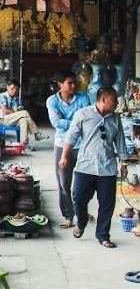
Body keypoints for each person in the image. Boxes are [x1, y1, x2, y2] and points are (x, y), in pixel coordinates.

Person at [58, 87, 127, 248]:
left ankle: (103, 235)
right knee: (78, 197)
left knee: (107, 204)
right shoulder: (82, 114)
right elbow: (71, 137)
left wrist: (124, 163)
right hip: (85, 166)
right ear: (103, 100)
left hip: (107, 167)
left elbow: (121, 141)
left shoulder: (115, 118)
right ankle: (81, 222)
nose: (117, 103)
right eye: (114, 100)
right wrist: (64, 157)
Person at [47, 73, 93, 228]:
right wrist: (75, 122)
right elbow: (56, 123)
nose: (73, 86)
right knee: (63, 182)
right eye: (70, 83)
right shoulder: (52, 101)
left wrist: (68, 121)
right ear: (60, 84)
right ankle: (68, 215)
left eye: (75, 83)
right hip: (61, 144)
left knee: (85, 182)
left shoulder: (83, 98)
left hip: (82, 144)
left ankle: (82, 211)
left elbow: (87, 119)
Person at [0, 80, 45, 150]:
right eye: (12, 88)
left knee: (24, 120)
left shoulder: (18, 99)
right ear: (7, 87)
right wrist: (18, 112)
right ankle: (36, 133)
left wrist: (19, 111)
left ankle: (24, 144)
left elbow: (19, 112)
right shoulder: (2, 96)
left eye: (17, 89)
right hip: (3, 120)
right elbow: (5, 111)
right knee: (25, 113)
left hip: (14, 120)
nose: (15, 91)